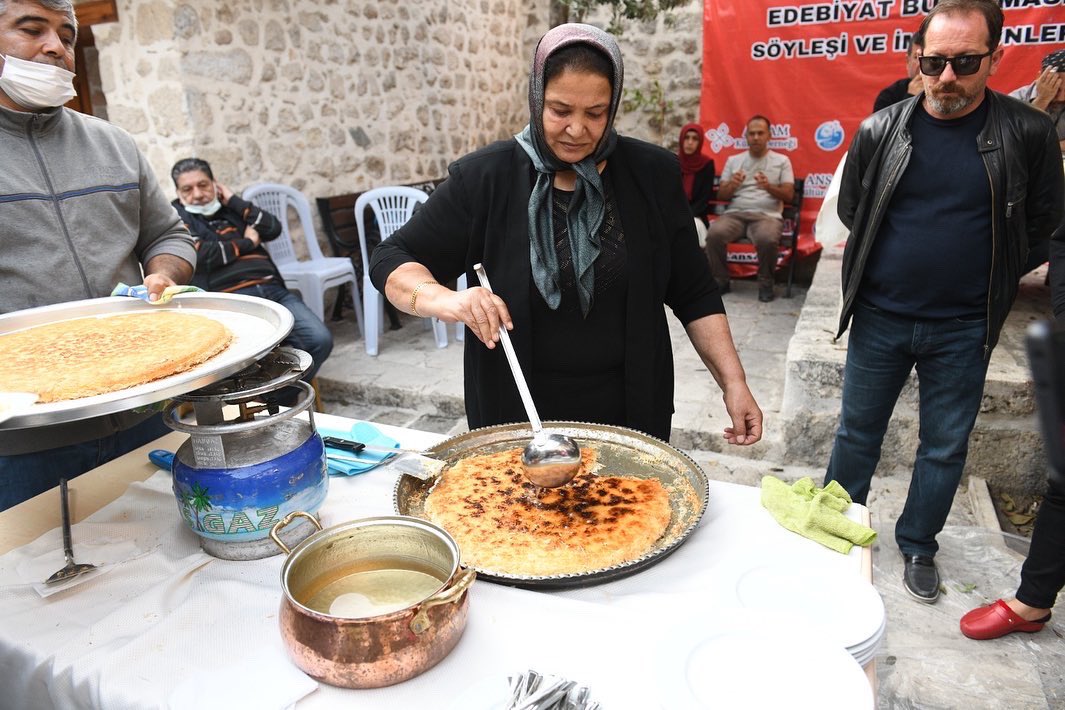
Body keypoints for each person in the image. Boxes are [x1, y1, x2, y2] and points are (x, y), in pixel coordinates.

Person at [370, 23, 762, 447]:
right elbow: (391, 258)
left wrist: (733, 382)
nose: (577, 130)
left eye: (595, 113)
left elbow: (694, 292)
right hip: (515, 419)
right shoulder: (485, 178)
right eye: (560, 110)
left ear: (612, 107)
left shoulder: (651, 175)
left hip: (631, 413)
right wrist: (448, 300)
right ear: (537, 97)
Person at [823, 0, 1064, 604]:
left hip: (963, 324)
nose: (947, 77)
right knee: (856, 433)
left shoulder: (1028, 132)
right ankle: (834, 531)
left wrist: (988, 277)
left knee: (945, 444)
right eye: (934, 62)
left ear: (996, 58)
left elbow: (1042, 224)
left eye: (964, 62)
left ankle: (918, 543)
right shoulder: (882, 129)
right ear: (916, 59)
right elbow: (854, 209)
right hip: (881, 315)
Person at [0, 0, 196, 511]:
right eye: (31, 29)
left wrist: (162, 273)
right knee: (37, 577)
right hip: (24, 440)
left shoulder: (114, 145)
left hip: (142, 410)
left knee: (164, 556)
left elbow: (168, 236)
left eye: (66, 36)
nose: (55, 48)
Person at [170, 158, 333, 384]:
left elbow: (272, 228)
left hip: (273, 290)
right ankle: (275, 399)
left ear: (215, 185)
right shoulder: (177, 217)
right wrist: (247, 242)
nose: (197, 194)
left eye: (203, 185)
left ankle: (279, 397)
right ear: (178, 193)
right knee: (258, 358)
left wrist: (234, 201)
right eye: (187, 189)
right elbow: (201, 254)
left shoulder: (231, 209)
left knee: (320, 340)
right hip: (234, 301)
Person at [703, 115, 794, 302]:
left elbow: (789, 195)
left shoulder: (782, 161)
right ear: (746, 137)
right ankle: (720, 280)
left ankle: (766, 283)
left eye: (760, 133)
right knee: (714, 234)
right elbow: (721, 196)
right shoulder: (734, 160)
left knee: (767, 239)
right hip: (735, 214)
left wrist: (769, 187)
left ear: (769, 136)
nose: (756, 137)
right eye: (751, 133)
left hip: (767, 216)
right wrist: (732, 185)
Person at [1009, 48, 1064, 154]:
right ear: (1039, 78)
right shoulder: (1016, 99)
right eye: (1056, 88)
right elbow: (1012, 137)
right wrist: (1043, 99)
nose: (1061, 97)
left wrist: (1046, 147)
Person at [678, 122, 716, 248]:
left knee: (692, 227)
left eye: (695, 139)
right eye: (686, 137)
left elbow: (704, 198)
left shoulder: (706, 164)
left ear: (700, 143)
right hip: (675, 213)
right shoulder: (673, 162)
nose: (690, 142)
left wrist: (685, 216)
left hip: (696, 214)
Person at [872, 29, 924, 113]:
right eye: (916, 57)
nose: (921, 64)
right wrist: (910, 98)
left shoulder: (945, 90)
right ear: (907, 61)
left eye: (927, 57)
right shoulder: (889, 96)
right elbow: (882, 125)